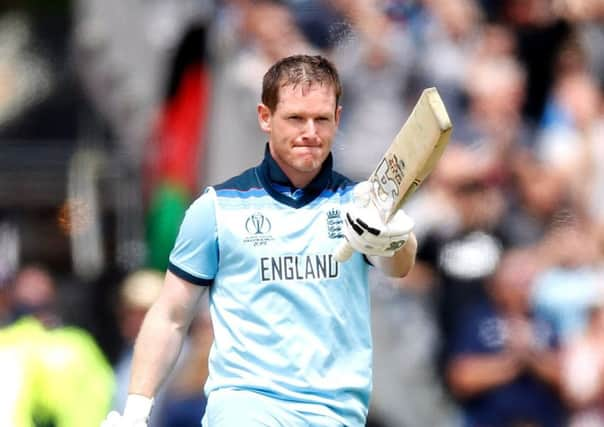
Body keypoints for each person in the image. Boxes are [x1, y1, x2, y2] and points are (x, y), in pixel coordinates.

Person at [101, 54, 417, 427]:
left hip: (336, 414)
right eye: (295, 118)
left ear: (339, 119)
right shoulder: (217, 209)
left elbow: (398, 267)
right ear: (265, 117)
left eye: (322, 119)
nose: (310, 132)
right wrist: (135, 412)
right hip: (246, 408)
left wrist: (398, 237)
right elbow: (170, 314)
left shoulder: (359, 202)